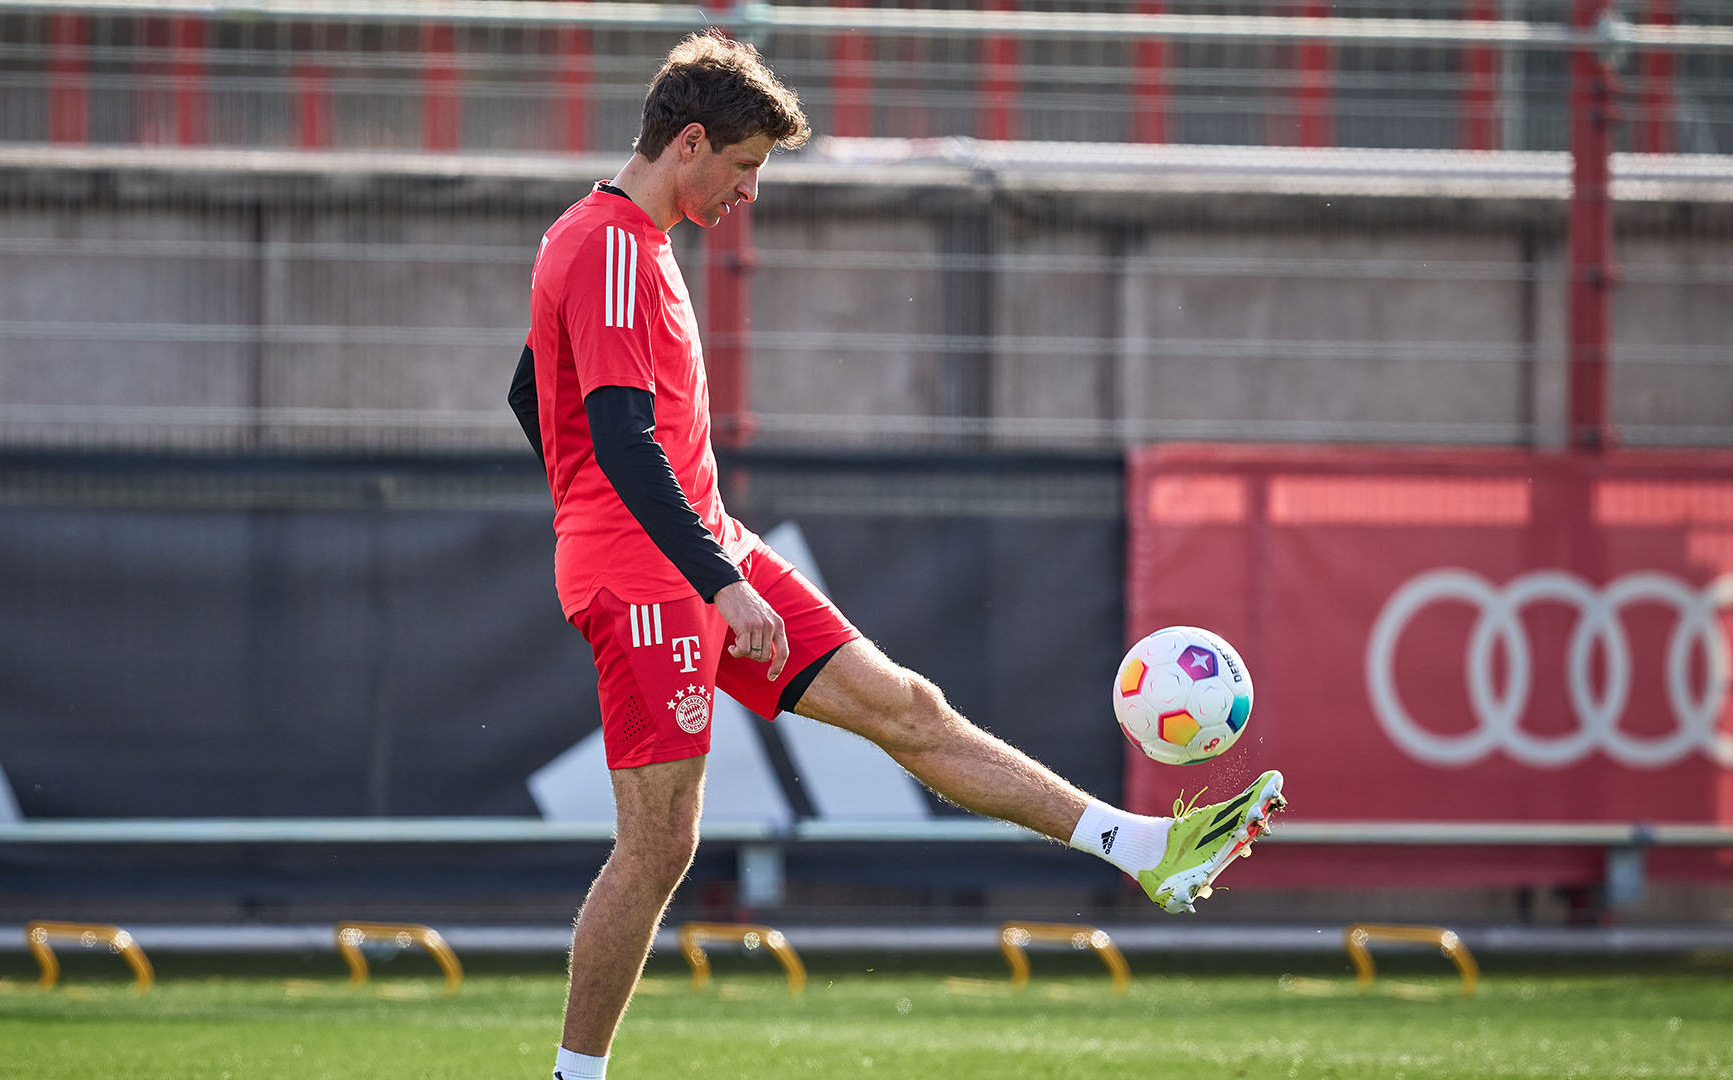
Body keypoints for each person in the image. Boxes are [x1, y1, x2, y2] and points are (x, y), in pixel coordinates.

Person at [508, 32, 1287, 1080]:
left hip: (693, 550)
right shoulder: (607, 244)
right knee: (660, 846)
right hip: (656, 575)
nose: (748, 194)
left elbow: (533, 396)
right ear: (688, 143)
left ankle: (1146, 850)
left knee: (906, 708)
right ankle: (575, 1076)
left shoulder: (626, 244)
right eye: (742, 169)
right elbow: (615, 433)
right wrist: (702, 571)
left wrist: (662, 538)